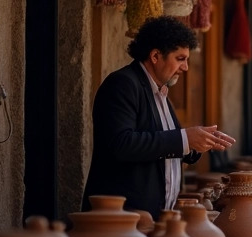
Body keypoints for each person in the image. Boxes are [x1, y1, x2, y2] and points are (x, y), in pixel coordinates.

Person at [82, 16, 235, 219]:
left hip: (151, 221)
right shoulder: (123, 84)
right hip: (119, 221)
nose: (186, 67)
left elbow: (164, 143)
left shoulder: (160, 92)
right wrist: (185, 139)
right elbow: (122, 144)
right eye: (180, 58)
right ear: (155, 56)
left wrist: (197, 144)